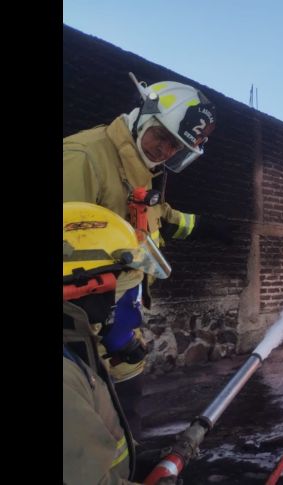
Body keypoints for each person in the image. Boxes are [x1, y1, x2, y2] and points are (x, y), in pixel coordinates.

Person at [63, 72, 231, 434]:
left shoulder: (140, 166)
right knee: (87, 436)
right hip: (82, 336)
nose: (164, 150)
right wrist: (101, 323)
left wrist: (202, 226)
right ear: (142, 115)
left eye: (175, 147)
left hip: (118, 327)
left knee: (124, 425)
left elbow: (154, 218)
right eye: (161, 136)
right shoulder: (83, 158)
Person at [63, 201, 177, 484]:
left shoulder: (78, 348)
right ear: (88, 287)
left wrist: (134, 464)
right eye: (132, 290)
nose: (137, 308)